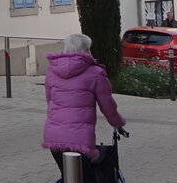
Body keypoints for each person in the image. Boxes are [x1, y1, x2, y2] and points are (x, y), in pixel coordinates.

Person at [42, 33, 126, 164]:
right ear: (86, 50)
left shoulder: (52, 70)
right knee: (85, 181)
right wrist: (118, 123)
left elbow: (50, 101)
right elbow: (107, 106)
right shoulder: (95, 72)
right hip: (80, 139)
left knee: (68, 177)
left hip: (54, 137)